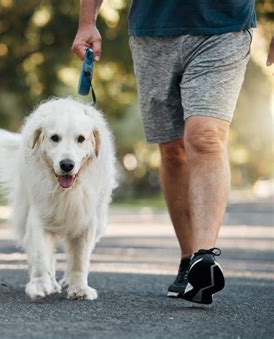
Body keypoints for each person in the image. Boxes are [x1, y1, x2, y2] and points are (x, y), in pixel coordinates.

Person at [72, 1, 266, 304]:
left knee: (204, 136)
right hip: (153, 30)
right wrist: (87, 21)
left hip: (224, 27)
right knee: (173, 149)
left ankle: (205, 257)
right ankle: (189, 258)